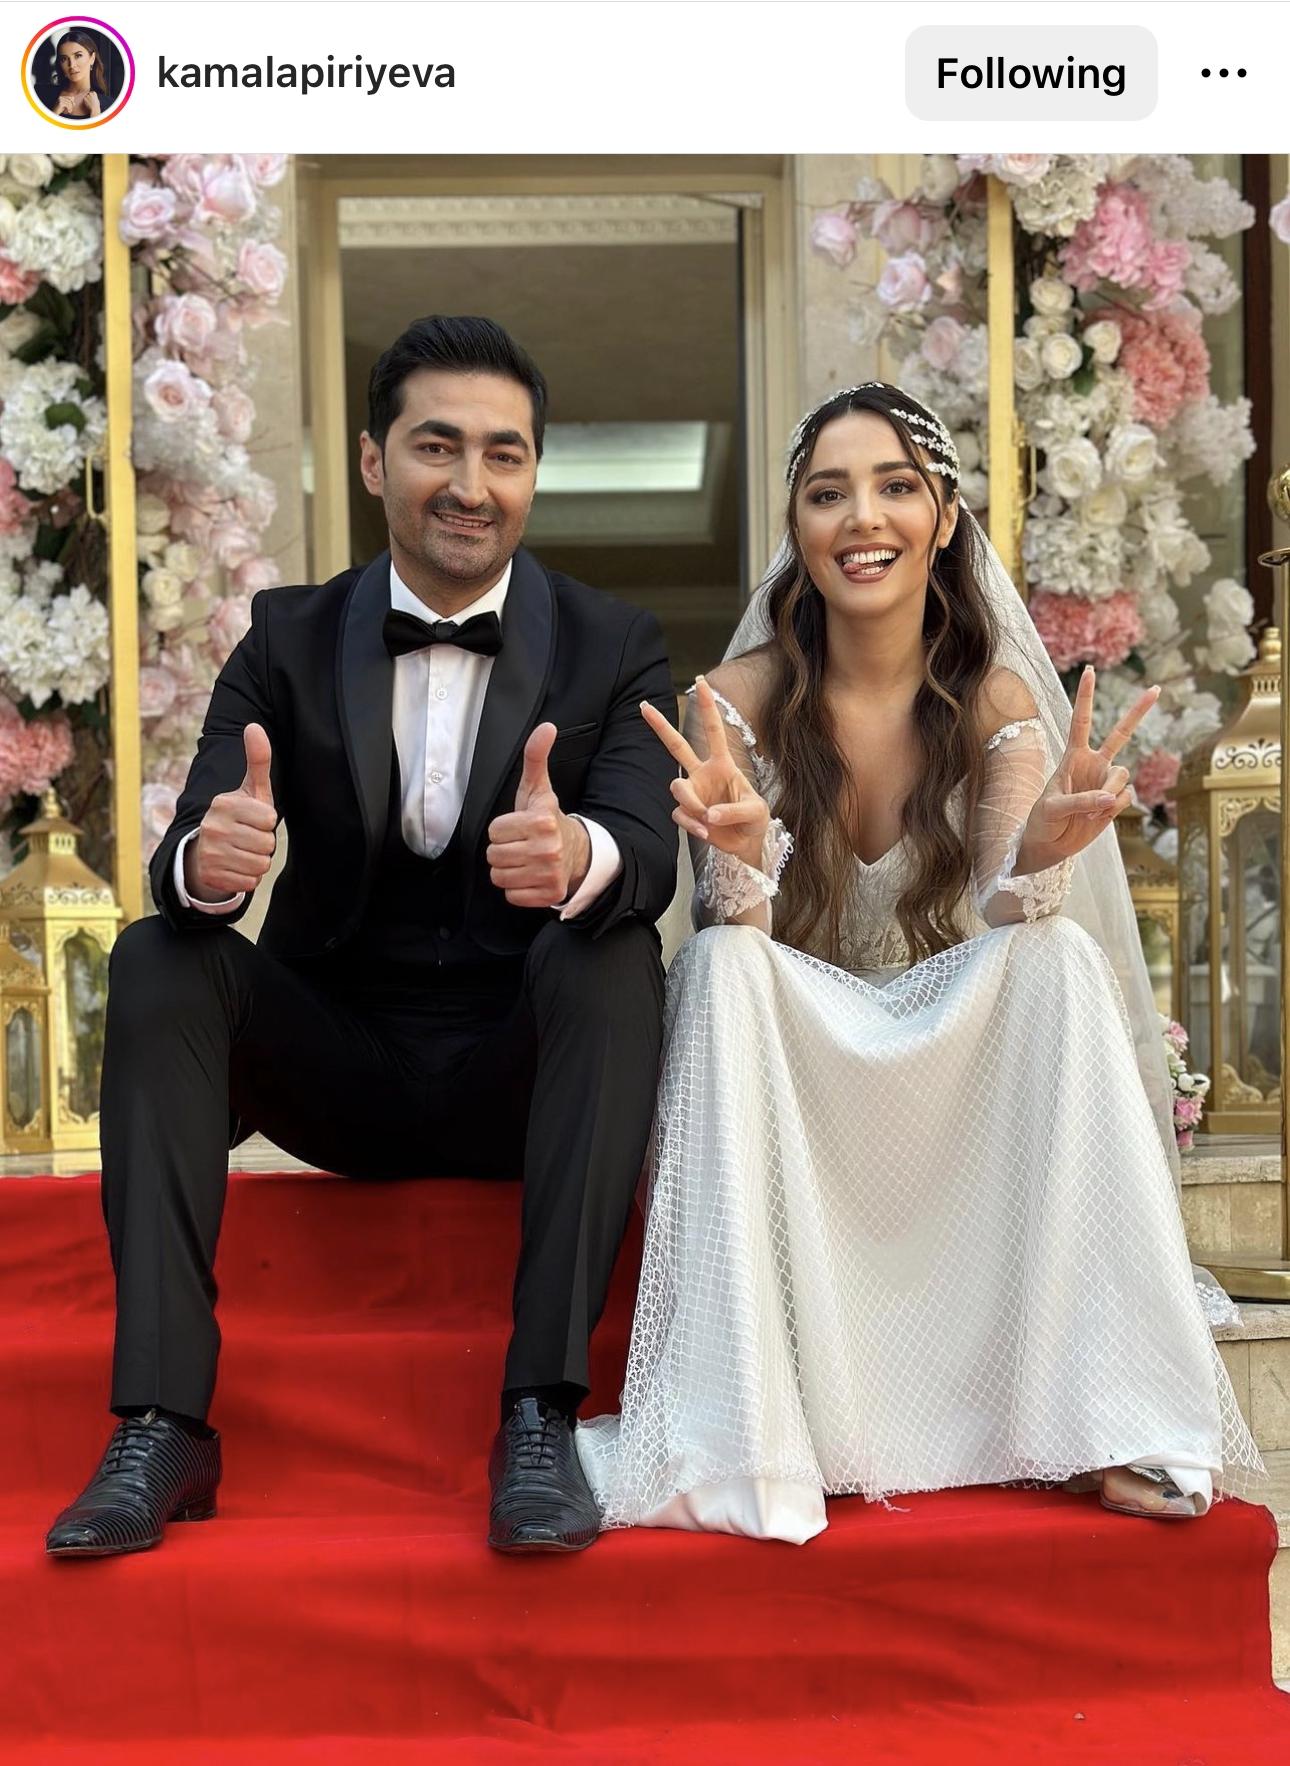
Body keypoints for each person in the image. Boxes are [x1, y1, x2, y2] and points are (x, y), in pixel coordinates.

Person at [577, 383, 1262, 1542]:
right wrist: (739, 859)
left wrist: (1038, 854)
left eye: (895, 486)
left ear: (944, 518)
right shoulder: (730, 702)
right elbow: (737, 930)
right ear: (797, 527)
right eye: (828, 493)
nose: (863, 517)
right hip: (799, 1072)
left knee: (1056, 957)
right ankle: (740, 1437)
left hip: (944, 1067)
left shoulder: (994, 695)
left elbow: (1000, 908)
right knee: (722, 969)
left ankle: (1117, 1416)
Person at [45, 315, 679, 1559]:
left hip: (519, 1074)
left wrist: (582, 855)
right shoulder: (285, 635)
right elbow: (197, 835)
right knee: (159, 952)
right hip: (336, 1068)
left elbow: (650, 852)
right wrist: (207, 863)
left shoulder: (614, 642)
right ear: (376, 460)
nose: (471, 482)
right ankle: (162, 1422)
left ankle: (541, 1415)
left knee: (612, 949)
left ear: (533, 473)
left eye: (504, 453)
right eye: (438, 446)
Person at [49, 29, 109, 120]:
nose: (72, 65)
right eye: (64, 59)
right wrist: (54, 113)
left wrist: (95, 113)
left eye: (78, 56)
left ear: (92, 58)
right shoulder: (42, 95)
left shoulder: (109, 105)